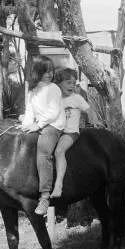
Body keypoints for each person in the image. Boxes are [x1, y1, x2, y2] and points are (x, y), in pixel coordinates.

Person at [19, 55, 66, 215]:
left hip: (53, 125)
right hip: (40, 124)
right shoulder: (33, 90)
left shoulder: (53, 88)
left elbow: (53, 113)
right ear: (36, 72)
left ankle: (45, 196)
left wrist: (37, 125)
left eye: (51, 71)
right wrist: (25, 126)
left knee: (44, 150)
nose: (49, 74)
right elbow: (29, 111)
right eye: (45, 71)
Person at [50, 68, 105, 198]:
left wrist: (96, 121)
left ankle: (58, 185)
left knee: (59, 151)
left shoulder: (77, 98)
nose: (72, 86)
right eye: (68, 83)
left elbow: (89, 110)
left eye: (74, 83)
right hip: (56, 131)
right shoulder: (56, 98)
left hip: (70, 133)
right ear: (59, 84)